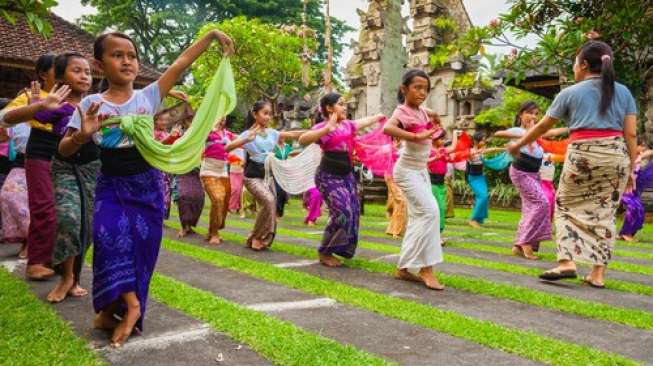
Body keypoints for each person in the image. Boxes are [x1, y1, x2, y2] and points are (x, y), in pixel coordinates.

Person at [58, 30, 234, 347]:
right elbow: (65, 149)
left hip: (148, 185)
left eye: (132, 55)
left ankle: (113, 309)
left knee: (142, 247)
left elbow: (180, 63)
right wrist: (82, 135)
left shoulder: (147, 97)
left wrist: (209, 37)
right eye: (117, 55)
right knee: (109, 237)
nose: (126, 61)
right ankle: (133, 306)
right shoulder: (90, 104)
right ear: (99, 65)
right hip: (111, 184)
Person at [507, 40, 637, 288]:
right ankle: (598, 274)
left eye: (575, 63)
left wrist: (516, 145)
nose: (574, 68)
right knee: (606, 213)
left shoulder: (569, 93)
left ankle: (567, 262)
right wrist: (630, 167)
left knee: (565, 205)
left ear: (584, 64)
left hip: (583, 154)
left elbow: (543, 126)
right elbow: (630, 134)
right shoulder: (624, 92)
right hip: (616, 155)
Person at [298, 93, 384, 267]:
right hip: (328, 176)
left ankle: (341, 248)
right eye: (341, 104)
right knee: (342, 211)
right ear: (330, 108)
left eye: (345, 104)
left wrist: (378, 117)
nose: (345, 107)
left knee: (353, 212)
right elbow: (302, 139)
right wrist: (327, 129)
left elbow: (363, 122)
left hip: (347, 176)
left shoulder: (348, 125)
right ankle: (324, 251)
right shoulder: (323, 127)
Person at [383, 69, 445, 290]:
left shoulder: (423, 112)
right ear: (404, 89)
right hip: (406, 170)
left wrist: (435, 128)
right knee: (431, 212)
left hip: (421, 171)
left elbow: (434, 120)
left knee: (421, 218)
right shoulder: (402, 111)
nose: (422, 92)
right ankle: (426, 269)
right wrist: (415, 136)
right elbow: (387, 127)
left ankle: (404, 268)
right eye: (417, 87)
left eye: (426, 89)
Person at [0, 54, 58, 280]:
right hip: (39, 154)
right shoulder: (31, 96)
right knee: (42, 208)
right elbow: (5, 118)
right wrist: (37, 107)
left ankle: (57, 259)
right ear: (43, 74)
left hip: (68, 158)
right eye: (58, 69)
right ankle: (36, 260)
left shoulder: (74, 96)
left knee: (65, 211)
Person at [226, 101, 303, 251]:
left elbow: (293, 134)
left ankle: (262, 238)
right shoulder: (247, 134)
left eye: (270, 114)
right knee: (268, 201)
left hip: (268, 177)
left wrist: (319, 130)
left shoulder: (273, 133)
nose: (268, 117)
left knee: (271, 205)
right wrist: (245, 140)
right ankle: (254, 237)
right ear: (255, 114)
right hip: (252, 177)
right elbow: (227, 147)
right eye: (265, 113)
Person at [495, 101, 567, 260]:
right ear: (521, 114)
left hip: (534, 174)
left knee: (529, 209)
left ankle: (518, 246)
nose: (533, 116)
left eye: (536, 114)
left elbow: (553, 132)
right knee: (542, 203)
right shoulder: (518, 130)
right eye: (530, 113)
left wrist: (573, 128)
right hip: (521, 172)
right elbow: (499, 134)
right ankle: (526, 244)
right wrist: (525, 134)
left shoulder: (537, 132)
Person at [200, 117, 233, 245]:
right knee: (217, 198)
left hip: (223, 170)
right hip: (208, 170)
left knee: (224, 202)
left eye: (225, 118)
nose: (222, 120)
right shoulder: (207, 132)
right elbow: (195, 134)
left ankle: (212, 229)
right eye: (220, 117)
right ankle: (214, 233)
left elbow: (240, 140)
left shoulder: (228, 134)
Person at [0, 122, 31, 257]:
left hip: (47, 162)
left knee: (32, 201)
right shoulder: (17, 119)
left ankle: (31, 241)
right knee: (7, 194)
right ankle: (28, 237)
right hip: (20, 162)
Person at [618, 140, 653, 241]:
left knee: (639, 210)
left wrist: (641, 156)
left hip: (632, 192)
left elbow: (650, 152)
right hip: (623, 192)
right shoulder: (628, 158)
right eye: (641, 147)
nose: (643, 150)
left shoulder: (637, 158)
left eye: (644, 147)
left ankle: (628, 234)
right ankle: (625, 233)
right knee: (634, 208)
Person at [427, 130, 458, 236]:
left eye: (444, 139)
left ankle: (437, 233)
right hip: (433, 183)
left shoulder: (443, 150)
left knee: (442, 208)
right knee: (438, 208)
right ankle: (436, 234)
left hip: (441, 184)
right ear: (434, 140)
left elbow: (454, 147)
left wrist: (455, 134)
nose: (443, 141)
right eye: (441, 139)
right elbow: (423, 161)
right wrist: (435, 158)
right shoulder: (429, 150)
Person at [466, 132, 490, 228]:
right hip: (473, 178)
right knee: (482, 196)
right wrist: (480, 151)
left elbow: (491, 150)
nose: (484, 142)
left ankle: (479, 219)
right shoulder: (470, 150)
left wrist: (503, 149)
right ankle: (473, 219)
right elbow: (470, 156)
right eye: (482, 140)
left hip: (481, 177)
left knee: (485, 196)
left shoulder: (481, 150)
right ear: (476, 141)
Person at [228, 147, 245, 215]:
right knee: (234, 189)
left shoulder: (244, 150)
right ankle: (230, 206)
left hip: (242, 173)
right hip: (233, 172)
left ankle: (239, 207)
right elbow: (229, 160)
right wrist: (240, 162)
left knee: (240, 191)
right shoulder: (233, 149)